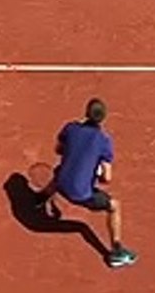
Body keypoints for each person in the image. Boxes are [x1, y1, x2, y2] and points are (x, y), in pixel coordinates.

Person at [34, 98, 137, 269]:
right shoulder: (104, 141)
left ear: (86, 113)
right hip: (80, 194)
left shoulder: (70, 128)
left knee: (63, 169)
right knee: (114, 206)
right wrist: (97, 174)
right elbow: (107, 178)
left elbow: (59, 150)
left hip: (61, 182)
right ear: (103, 118)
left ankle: (41, 197)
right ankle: (116, 251)